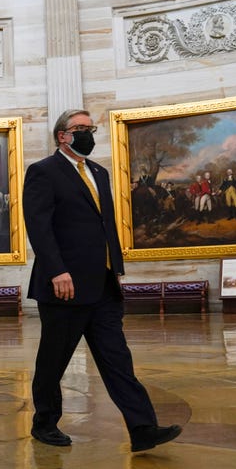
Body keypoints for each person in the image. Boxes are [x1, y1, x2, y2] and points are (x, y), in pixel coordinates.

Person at [22, 108, 182, 451]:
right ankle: (44, 423)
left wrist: (116, 269)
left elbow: (106, 225)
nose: (88, 133)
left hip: (103, 285)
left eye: (90, 128)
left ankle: (143, 429)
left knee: (117, 359)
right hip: (64, 285)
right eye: (80, 128)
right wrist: (56, 270)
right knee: (53, 361)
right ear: (61, 135)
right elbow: (39, 226)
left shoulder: (100, 172)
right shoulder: (43, 172)